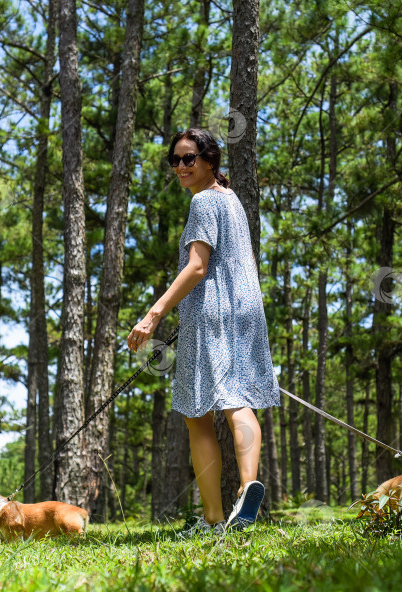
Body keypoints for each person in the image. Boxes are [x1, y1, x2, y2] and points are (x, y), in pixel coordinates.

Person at [127, 128, 280, 536]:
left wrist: (153, 314)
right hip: (247, 308)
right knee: (238, 397)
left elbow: (197, 266)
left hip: (212, 309)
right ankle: (248, 487)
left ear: (210, 160)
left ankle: (214, 518)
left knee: (197, 415)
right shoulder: (233, 201)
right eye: (174, 160)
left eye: (188, 158)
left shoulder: (204, 201)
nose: (180, 166)